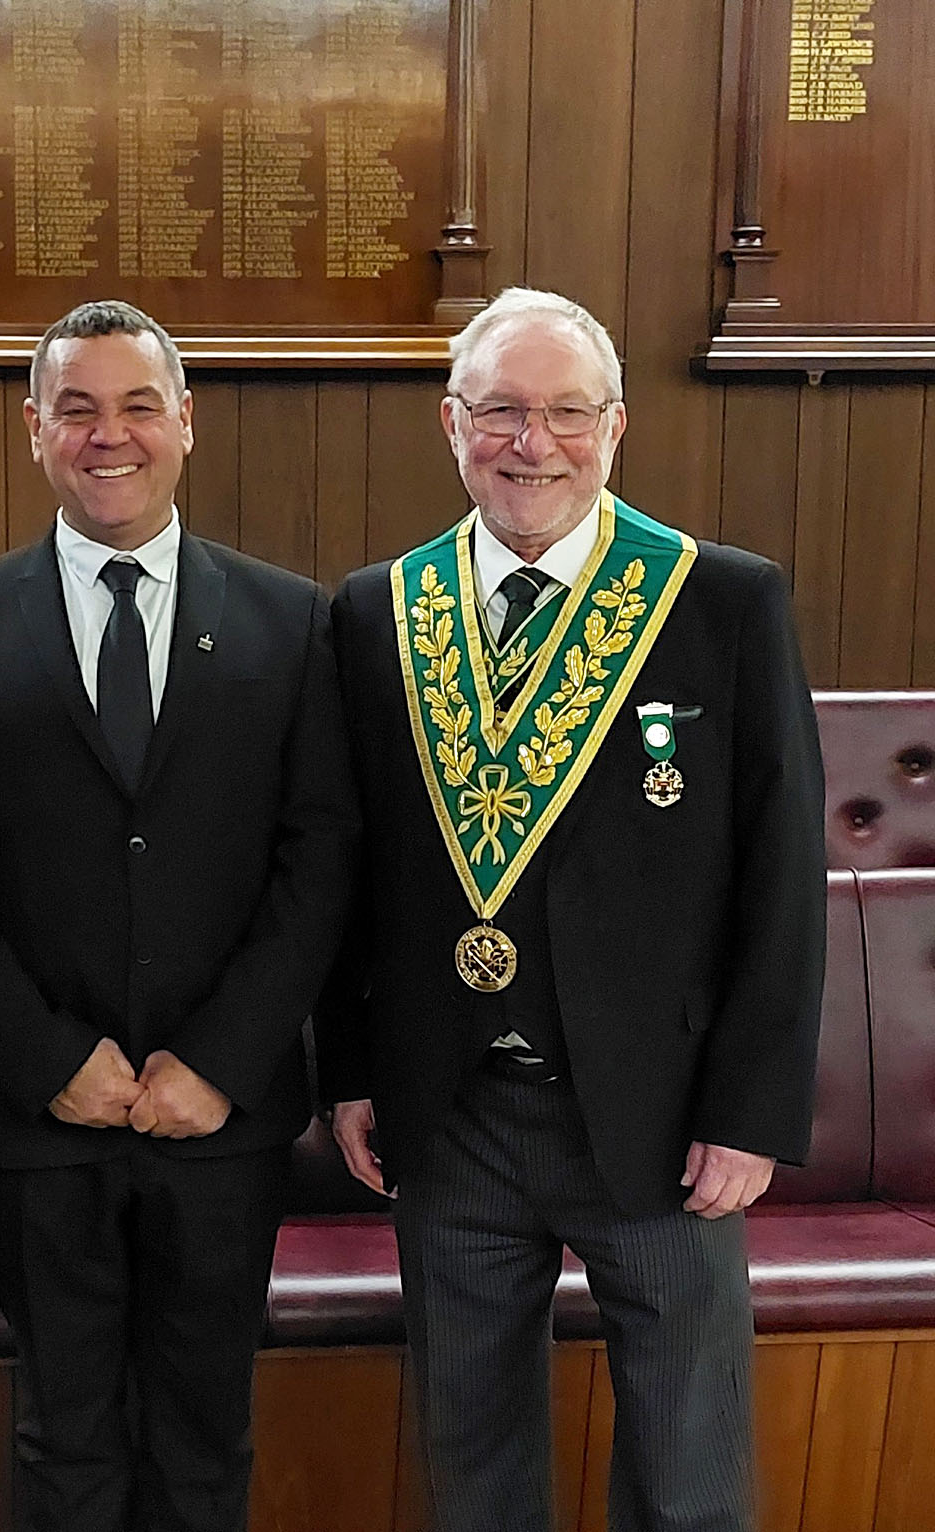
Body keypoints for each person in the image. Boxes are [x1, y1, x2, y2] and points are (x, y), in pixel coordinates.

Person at [319, 287, 825, 1532]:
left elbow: (781, 873)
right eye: (499, 410)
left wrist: (750, 1110)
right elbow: (345, 868)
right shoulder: (377, 609)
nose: (529, 442)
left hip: (661, 1118)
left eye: (563, 413)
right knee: (474, 1469)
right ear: (451, 423)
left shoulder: (720, 599)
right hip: (451, 1112)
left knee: (689, 1476)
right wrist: (351, 1069)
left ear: (615, 427)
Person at [0, 299, 357, 1532]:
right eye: (77, 409)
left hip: (221, 1119)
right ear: (34, 430)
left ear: (187, 423)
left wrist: (220, 1060)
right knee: (65, 1441)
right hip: (36, 1123)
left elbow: (321, 862)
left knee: (205, 1443)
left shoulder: (292, 623)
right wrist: (52, 1060)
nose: (110, 436)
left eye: (139, 405)